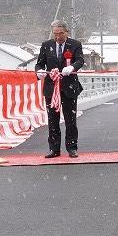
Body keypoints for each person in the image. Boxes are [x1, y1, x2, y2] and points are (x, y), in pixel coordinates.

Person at [35, 20, 84, 158]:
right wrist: (39, 72)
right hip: (51, 88)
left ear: (66, 32)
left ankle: (72, 147)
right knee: (52, 119)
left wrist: (72, 67)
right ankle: (54, 149)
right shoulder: (46, 46)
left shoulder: (75, 45)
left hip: (69, 87)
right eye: (55, 34)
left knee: (70, 119)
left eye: (60, 34)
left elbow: (80, 60)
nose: (57, 37)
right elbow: (39, 64)